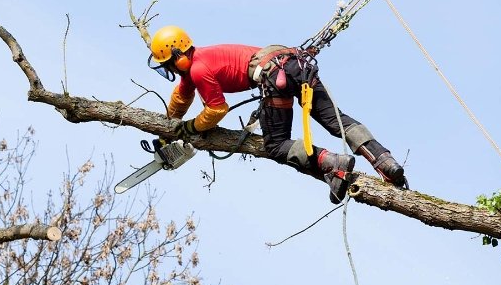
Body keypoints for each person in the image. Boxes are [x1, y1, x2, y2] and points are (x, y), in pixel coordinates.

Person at [147, 25, 407, 203]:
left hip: (275, 78)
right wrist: (168, 128)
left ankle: (333, 164)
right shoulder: (199, 63)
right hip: (295, 65)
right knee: (335, 120)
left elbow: (216, 110)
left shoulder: (198, 69)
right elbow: (181, 97)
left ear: (179, 57)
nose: (171, 70)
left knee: (276, 144)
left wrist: (190, 128)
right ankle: (385, 162)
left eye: (168, 64)